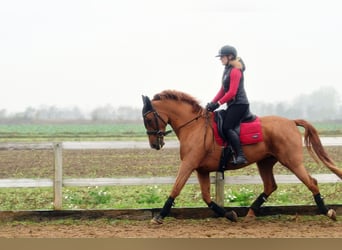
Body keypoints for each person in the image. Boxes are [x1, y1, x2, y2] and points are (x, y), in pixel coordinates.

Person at [206, 45, 249, 165]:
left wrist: (218, 104)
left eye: (222, 57)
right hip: (233, 105)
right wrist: (212, 103)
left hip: (240, 104)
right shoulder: (227, 69)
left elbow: (232, 92)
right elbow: (222, 90)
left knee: (227, 127)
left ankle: (241, 155)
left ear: (230, 56)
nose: (220, 59)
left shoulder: (235, 70)